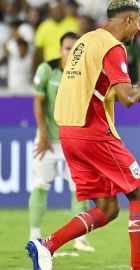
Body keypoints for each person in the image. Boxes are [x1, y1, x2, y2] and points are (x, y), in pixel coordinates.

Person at [25, 1, 140, 269]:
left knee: (108, 209)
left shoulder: (86, 41)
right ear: (129, 21)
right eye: (139, 22)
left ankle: (46, 245)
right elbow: (127, 97)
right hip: (92, 131)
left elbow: (102, 90)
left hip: (70, 134)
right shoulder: (112, 46)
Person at [28, 32, 95, 253]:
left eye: (75, 48)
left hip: (73, 142)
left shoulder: (86, 73)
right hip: (47, 141)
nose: (70, 52)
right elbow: (39, 103)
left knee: (79, 189)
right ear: (60, 50)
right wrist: (43, 133)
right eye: (67, 48)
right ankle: (34, 234)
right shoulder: (47, 69)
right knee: (40, 185)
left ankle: (80, 240)